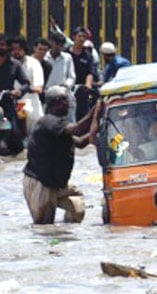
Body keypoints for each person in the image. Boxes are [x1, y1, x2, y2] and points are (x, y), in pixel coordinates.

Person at [22, 86, 98, 224]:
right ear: (57, 102)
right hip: (41, 183)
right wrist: (96, 111)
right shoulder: (48, 122)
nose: (68, 104)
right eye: (65, 100)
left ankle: (66, 238)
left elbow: (80, 142)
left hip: (56, 183)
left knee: (77, 206)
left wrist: (96, 132)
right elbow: (78, 129)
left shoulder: (58, 126)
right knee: (45, 227)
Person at [0, 36, 31, 156]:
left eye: (3, 44)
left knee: (16, 139)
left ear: (7, 47)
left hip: (7, 102)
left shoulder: (15, 64)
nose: (0, 47)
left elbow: (26, 83)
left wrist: (18, 91)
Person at [10, 36, 45, 134]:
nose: (16, 52)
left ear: (24, 49)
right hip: (11, 102)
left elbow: (38, 88)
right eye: (13, 50)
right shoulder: (7, 64)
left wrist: (23, 90)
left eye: (19, 49)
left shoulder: (34, 63)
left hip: (30, 101)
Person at [68, 26, 97, 120]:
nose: (81, 39)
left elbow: (90, 72)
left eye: (84, 37)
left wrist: (88, 85)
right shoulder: (66, 54)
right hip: (68, 89)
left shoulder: (88, 55)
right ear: (73, 37)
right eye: (79, 36)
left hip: (81, 89)